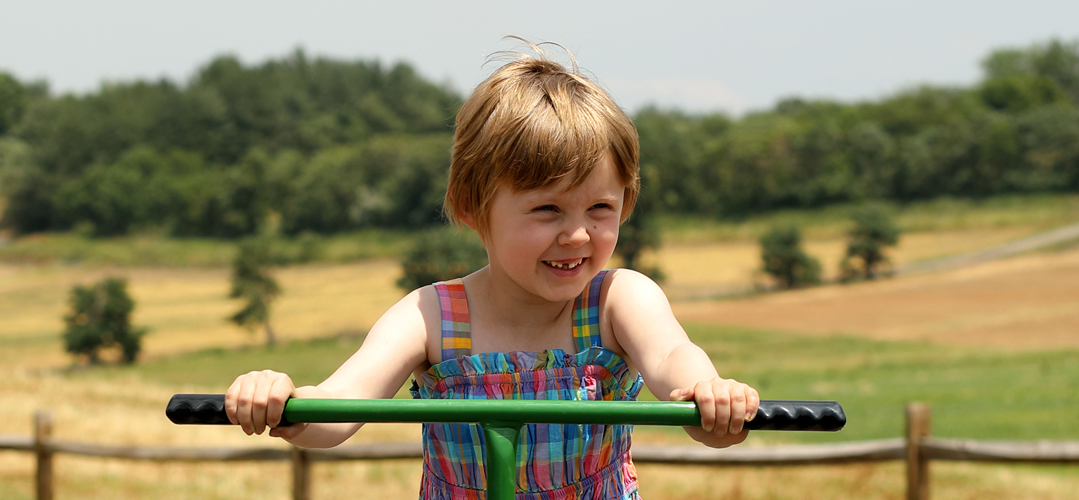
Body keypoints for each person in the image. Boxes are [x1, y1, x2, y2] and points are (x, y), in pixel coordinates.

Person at [226, 41, 760, 499]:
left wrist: (708, 394)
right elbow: (339, 408)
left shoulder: (618, 301)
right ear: (471, 208)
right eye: (547, 209)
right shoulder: (432, 315)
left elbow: (672, 359)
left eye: (600, 209)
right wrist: (283, 401)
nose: (577, 234)